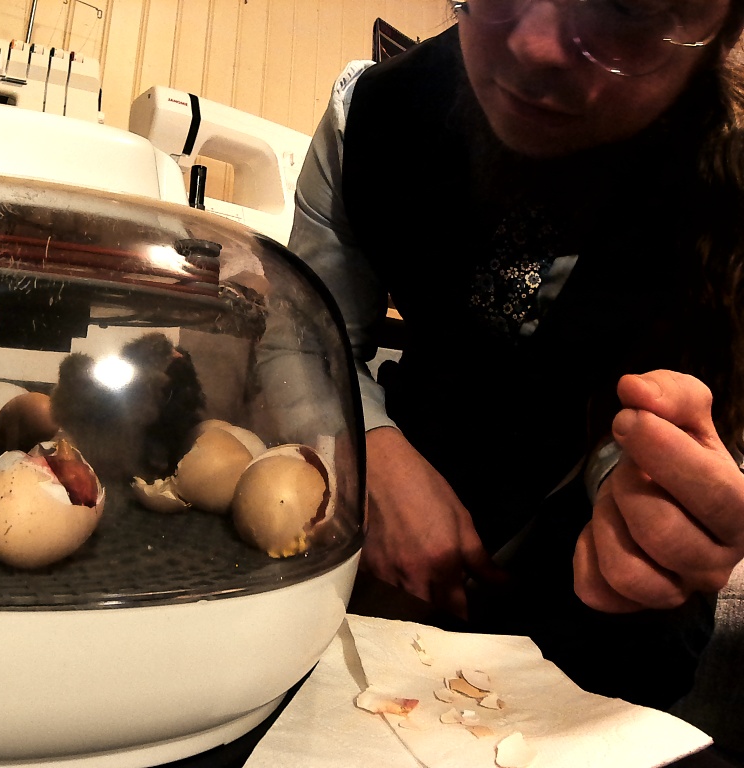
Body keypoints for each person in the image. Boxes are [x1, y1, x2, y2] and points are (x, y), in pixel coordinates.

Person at [288, 0, 744, 711]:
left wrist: (658, 489)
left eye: (629, 3)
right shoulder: (371, 114)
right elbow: (303, 340)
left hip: (605, 605)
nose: (533, 46)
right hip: (400, 505)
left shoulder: (730, 181)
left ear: (724, 31)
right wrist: (370, 451)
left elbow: (707, 416)